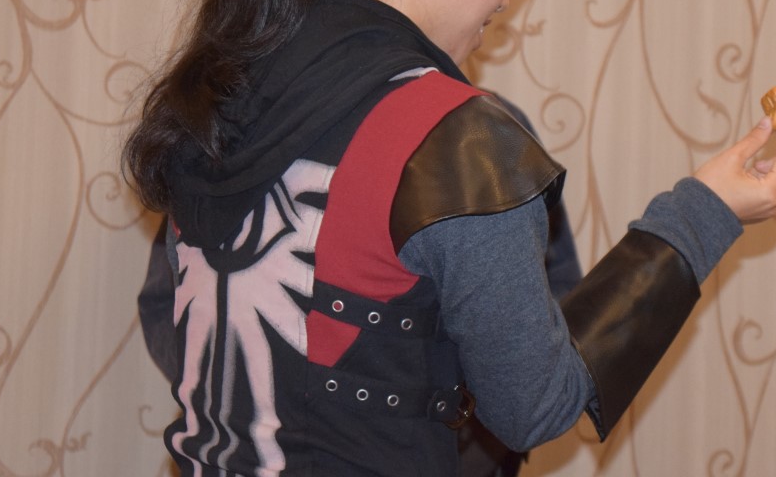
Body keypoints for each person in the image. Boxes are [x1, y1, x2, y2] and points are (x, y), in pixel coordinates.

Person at [122, 0, 776, 477]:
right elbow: (536, 409)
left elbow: (177, 324)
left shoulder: (217, 97)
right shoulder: (453, 139)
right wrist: (703, 212)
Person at [137, 93, 583, 477]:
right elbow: (169, 301)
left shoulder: (484, 133)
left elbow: (555, 289)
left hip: (470, 454)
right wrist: (249, 397)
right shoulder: (238, 125)